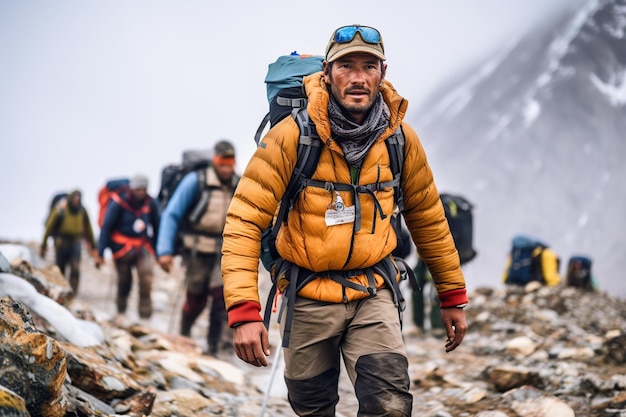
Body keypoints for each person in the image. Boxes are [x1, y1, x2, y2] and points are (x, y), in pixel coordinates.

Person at [221, 25, 468, 416]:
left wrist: (452, 295)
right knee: (313, 410)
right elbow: (243, 222)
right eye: (346, 65)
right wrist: (243, 311)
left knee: (389, 406)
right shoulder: (291, 137)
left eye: (368, 66)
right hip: (306, 297)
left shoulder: (400, 140)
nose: (357, 77)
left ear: (382, 73)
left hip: (373, 291)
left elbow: (429, 218)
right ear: (327, 73)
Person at [156, 140, 240, 355]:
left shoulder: (238, 183)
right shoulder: (196, 181)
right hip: (196, 250)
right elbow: (172, 214)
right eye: (222, 163)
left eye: (229, 164)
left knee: (222, 296)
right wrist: (164, 251)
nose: (226, 168)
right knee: (196, 298)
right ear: (214, 161)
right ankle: (185, 331)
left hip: (224, 249)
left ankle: (216, 348)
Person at [95, 174, 160, 322]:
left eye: (143, 189)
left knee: (147, 276)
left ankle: (145, 316)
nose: (141, 192)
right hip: (121, 248)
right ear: (132, 188)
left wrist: (159, 252)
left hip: (142, 246)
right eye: (138, 189)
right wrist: (100, 252)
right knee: (124, 280)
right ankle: (121, 312)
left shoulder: (151, 203)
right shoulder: (119, 202)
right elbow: (107, 227)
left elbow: (157, 227)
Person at [40, 189, 97, 296]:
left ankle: (72, 294)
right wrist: (44, 246)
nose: (77, 201)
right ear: (71, 198)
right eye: (75, 198)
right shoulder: (60, 210)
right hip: (61, 243)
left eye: (78, 198)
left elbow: (88, 229)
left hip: (76, 242)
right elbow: (48, 228)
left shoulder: (82, 211)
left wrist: (93, 247)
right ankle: (59, 292)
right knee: (60, 268)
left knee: (75, 269)